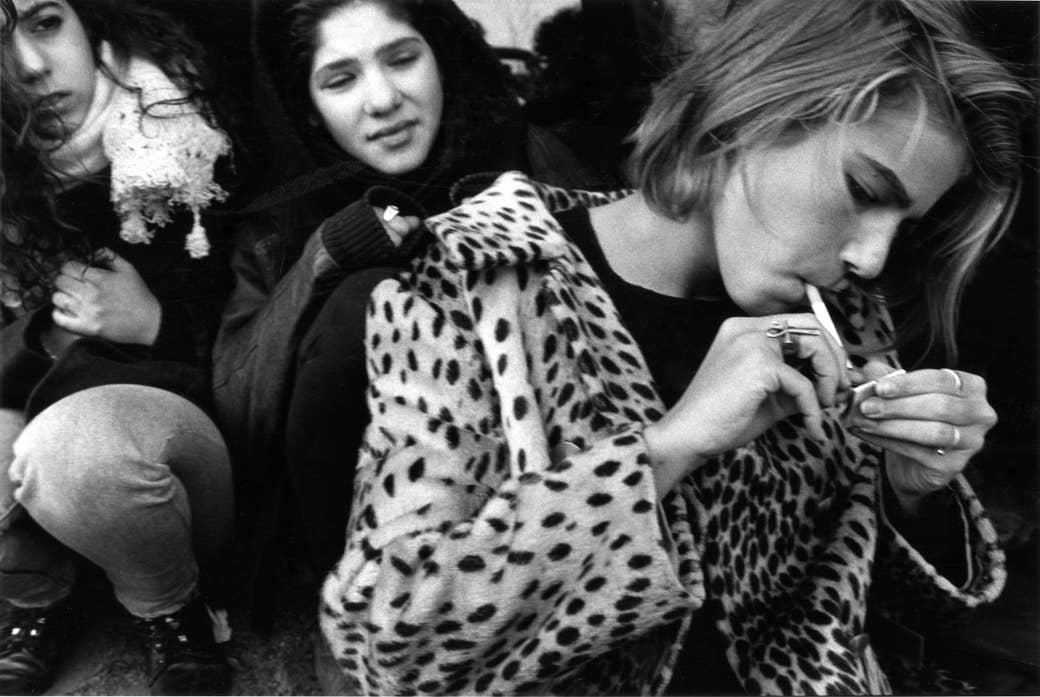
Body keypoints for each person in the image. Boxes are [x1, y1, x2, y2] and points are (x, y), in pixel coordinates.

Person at [317, 0, 1029, 693]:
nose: (872, 256)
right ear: (746, 115)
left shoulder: (845, 321)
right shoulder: (477, 279)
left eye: (902, 223)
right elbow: (392, 648)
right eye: (864, 188)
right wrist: (666, 449)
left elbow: (866, 621)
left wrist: (912, 495)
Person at [212, 0, 601, 619]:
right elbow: (239, 406)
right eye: (341, 79)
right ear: (308, 106)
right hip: (363, 526)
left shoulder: (530, 155)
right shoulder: (279, 221)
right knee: (360, 304)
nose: (384, 99)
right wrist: (328, 255)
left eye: (402, 59)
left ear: (440, 59)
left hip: (541, 490)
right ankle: (364, 614)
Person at [0, 0, 235, 693]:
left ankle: (176, 604)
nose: (30, 67)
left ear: (92, 24)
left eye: (47, 24)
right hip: (40, 430)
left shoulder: (187, 134)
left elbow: (272, 354)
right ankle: (41, 591)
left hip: (190, 459)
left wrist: (154, 323)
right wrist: (44, 336)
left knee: (76, 452)